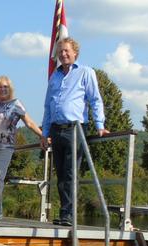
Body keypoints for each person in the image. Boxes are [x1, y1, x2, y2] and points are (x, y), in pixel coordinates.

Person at [41, 37, 109, 226]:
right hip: (56, 129)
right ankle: (64, 212)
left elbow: (95, 99)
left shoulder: (85, 72)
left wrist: (99, 125)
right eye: (60, 51)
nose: (63, 54)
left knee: (71, 172)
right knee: (61, 174)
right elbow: (48, 106)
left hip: (75, 128)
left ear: (75, 53)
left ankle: (69, 214)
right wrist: (44, 132)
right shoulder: (54, 76)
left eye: (66, 51)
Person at [0, 76, 43, 221]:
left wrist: (42, 135)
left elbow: (28, 122)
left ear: (10, 89)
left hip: (5, 146)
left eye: (5, 87)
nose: (2, 89)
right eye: (0, 87)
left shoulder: (16, 104)